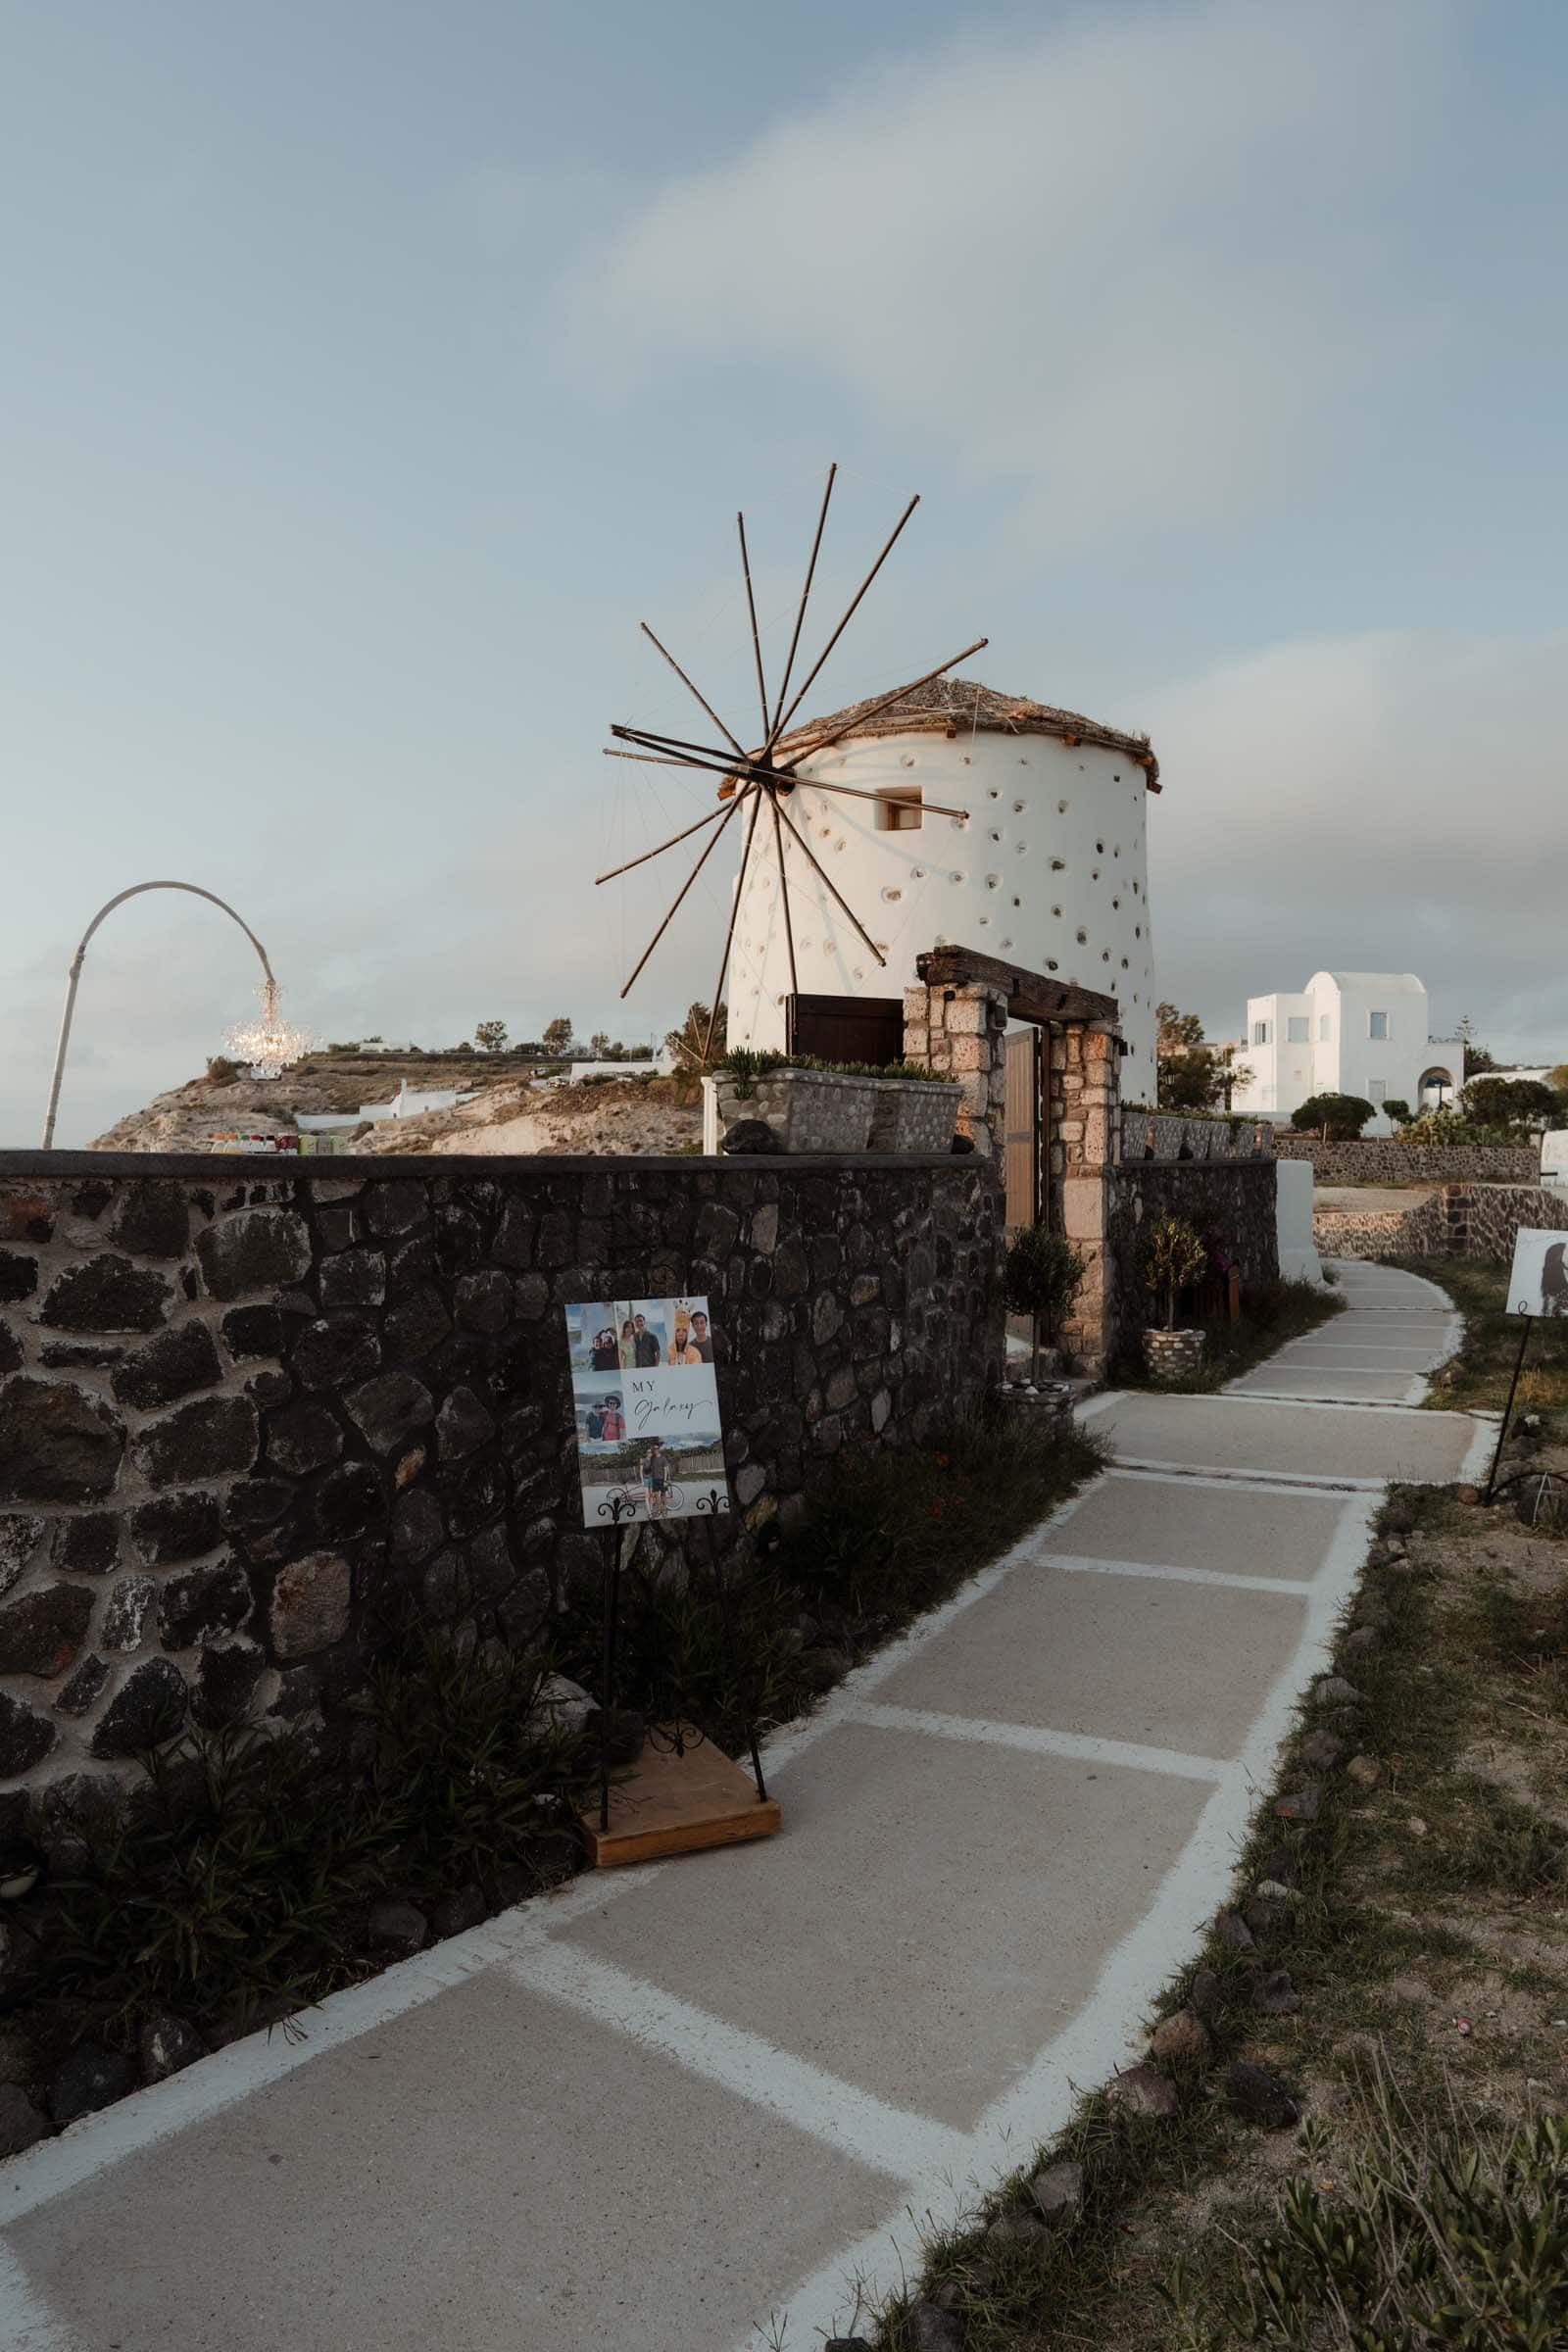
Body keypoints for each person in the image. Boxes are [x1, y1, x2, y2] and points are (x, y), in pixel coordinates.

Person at [642, 1438, 669, 1517]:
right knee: (657, 1496)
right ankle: (659, 1510)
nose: (656, 1450)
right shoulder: (653, 1458)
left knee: (663, 1496)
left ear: (659, 1449)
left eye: (657, 1448)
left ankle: (664, 1511)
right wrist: (642, 1461)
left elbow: (665, 1469)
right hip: (654, 1479)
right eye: (654, 1449)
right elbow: (646, 1460)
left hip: (661, 1479)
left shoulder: (663, 1458)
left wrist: (665, 1480)